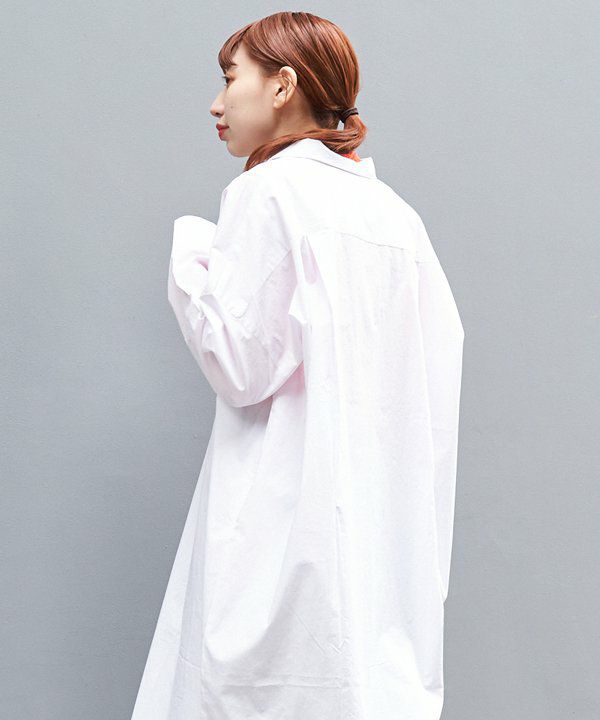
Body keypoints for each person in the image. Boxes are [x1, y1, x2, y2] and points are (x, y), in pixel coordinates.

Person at [131, 11, 465, 720]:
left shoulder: (269, 190)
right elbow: (434, 380)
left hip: (279, 539)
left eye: (230, 79)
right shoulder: (395, 217)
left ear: (283, 85)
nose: (217, 104)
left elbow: (238, 364)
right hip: (380, 546)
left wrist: (191, 255)